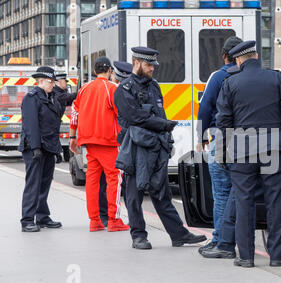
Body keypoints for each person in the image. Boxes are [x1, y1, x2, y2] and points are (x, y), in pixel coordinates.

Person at [216, 40, 281, 267]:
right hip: (273, 149)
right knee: (275, 202)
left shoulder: (230, 83)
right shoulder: (276, 79)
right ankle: (276, 256)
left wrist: (223, 153)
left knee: (244, 202)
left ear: (238, 60)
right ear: (256, 56)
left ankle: (245, 256)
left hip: (242, 152)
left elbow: (223, 122)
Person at [114, 46, 206, 250]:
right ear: (136, 63)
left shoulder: (154, 86)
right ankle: (138, 236)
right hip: (136, 148)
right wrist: (162, 125)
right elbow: (134, 118)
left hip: (157, 147)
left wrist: (168, 138)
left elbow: (160, 113)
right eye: (148, 65)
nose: (152, 69)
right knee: (134, 195)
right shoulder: (124, 89)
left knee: (162, 194)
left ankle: (179, 235)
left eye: (153, 65)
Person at [69, 56, 129, 233]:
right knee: (114, 179)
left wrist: (73, 136)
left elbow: (75, 112)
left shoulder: (84, 89)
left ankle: (94, 221)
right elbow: (122, 115)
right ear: (110, 71)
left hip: (88, 141)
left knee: (92, 181)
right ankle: (114, 219)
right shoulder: (112, 88)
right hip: (108, 141)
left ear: (95, 72)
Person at [196, 36, 243, 254]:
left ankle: (220, 241)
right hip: (249, 141)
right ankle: (242, 241)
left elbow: (205, 108)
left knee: (222, 193)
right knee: (242, 194)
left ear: (224, 55)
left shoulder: (218, 76)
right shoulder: (248, 75)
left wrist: (202, 137)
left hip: (221, 140)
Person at [19, 66, 64, 232]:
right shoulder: (32, 98)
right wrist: (36, 148)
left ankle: (42, 217)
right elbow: (31, 125)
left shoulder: (51, 97)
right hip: (34, 148)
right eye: (50, 82)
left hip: (48, 148)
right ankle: (27, 220)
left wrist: (56, 150)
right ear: (40, 82)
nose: (53, 84)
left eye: (53, 81)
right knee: (33, 184)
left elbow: (53, 126)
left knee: (44, 183)